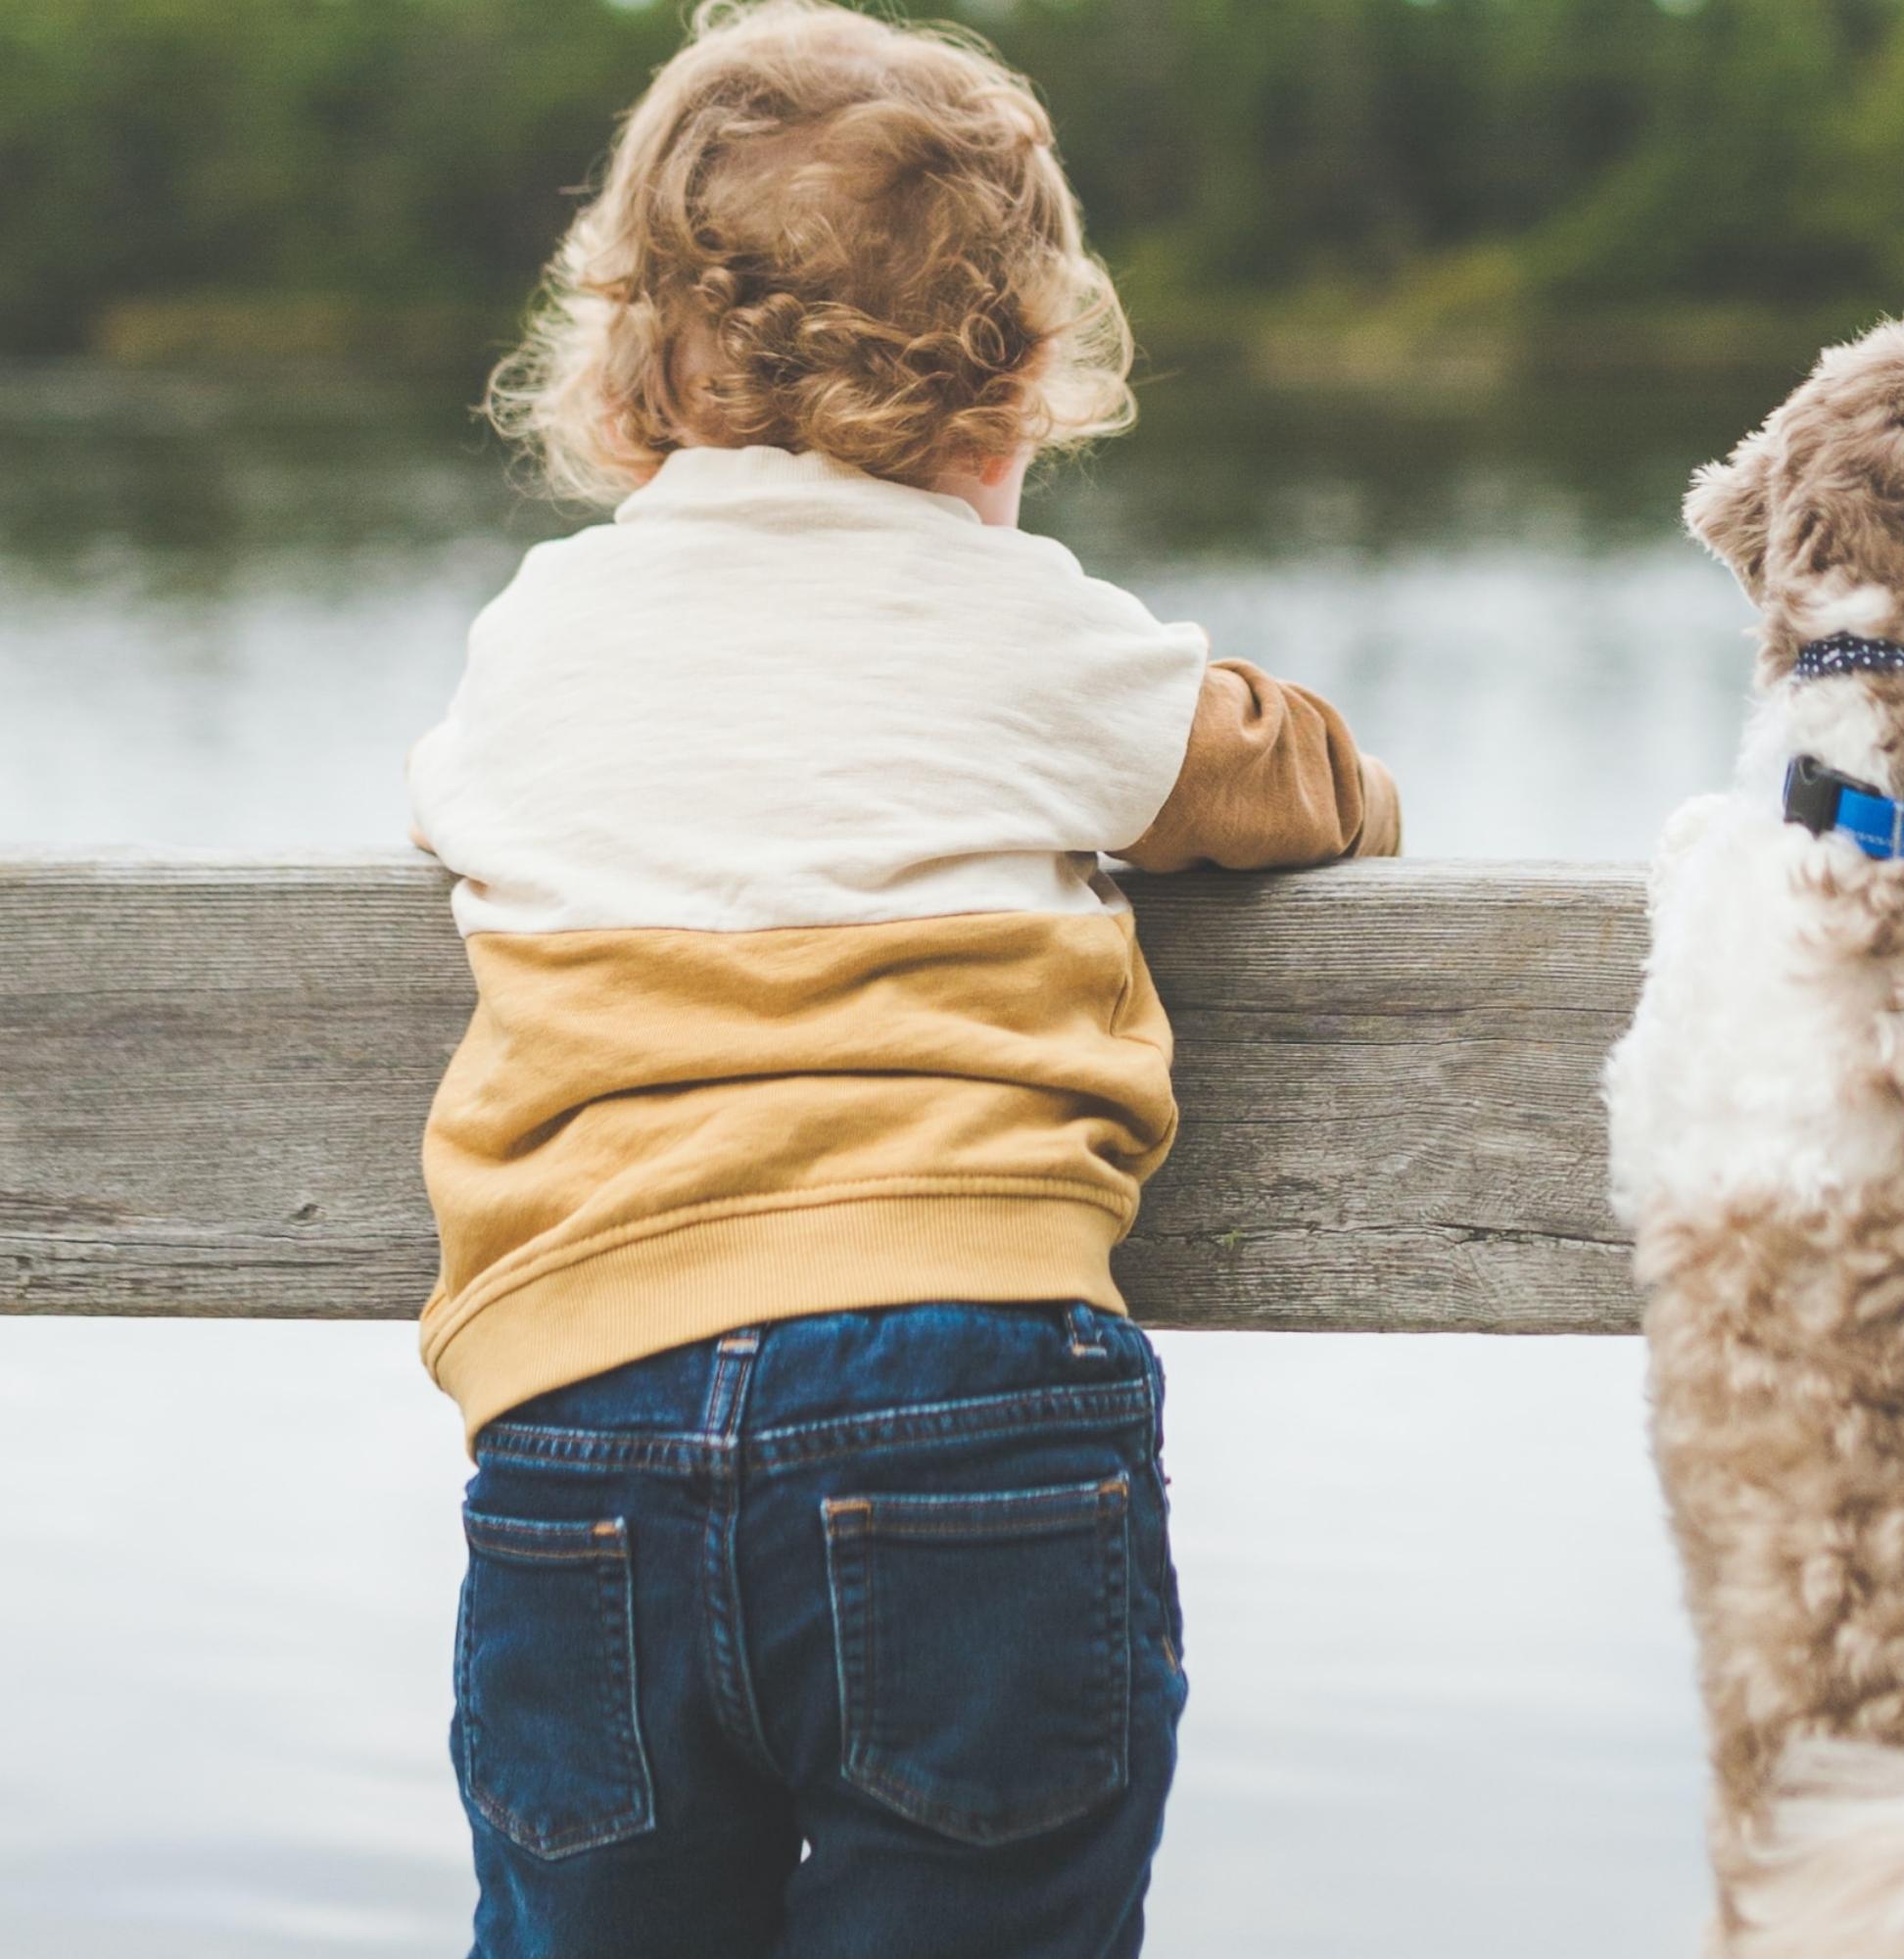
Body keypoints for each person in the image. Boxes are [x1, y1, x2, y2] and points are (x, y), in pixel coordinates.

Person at [405, 5, 1398, 1952]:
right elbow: (1300, 789)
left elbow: (456, 808)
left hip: (578, 1405)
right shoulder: (1026, 630)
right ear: (1020, 377)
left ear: (628, 363)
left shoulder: (539, 637)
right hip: (964, 1387)